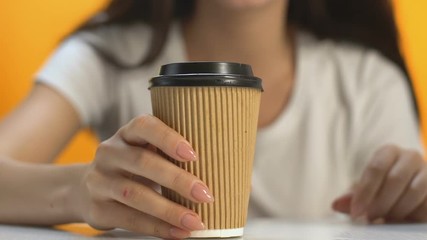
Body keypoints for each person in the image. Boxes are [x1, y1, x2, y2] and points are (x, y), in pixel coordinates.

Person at [0, 0, 426, 239]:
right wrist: (82, 190)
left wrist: (411, 194)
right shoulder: (108, 57)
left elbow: (411, 194)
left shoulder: (367, 79)